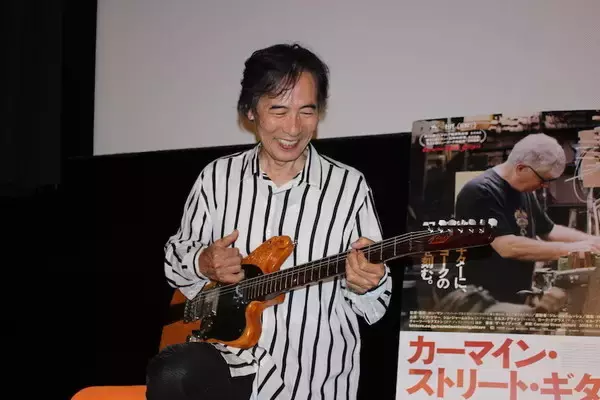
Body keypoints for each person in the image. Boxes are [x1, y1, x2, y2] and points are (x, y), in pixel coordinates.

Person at [145, 43, 392, 400]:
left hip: (312, 378)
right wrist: (203, 261)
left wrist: (369, 282)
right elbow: (175, 259)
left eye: (306, 111)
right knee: (173, 372)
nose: (293, 127)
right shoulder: (217, 178)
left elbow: (375, 305)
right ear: (250, 110)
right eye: (278, 110)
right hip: (228, 365)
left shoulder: (348, 187)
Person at [454, 133, 600, 305]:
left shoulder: (524, 191)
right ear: (521, 168)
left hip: (514, 297)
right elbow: (507, 246)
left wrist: (592, 241)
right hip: (485, 303)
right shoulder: (481, 191)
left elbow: (549, 230)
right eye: (543, 180)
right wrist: (572, 249)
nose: (545, 186)